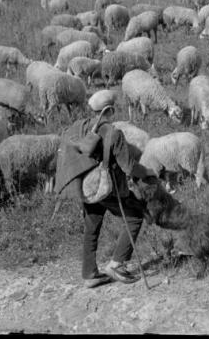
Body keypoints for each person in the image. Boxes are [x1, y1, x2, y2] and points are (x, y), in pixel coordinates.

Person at [54, 110, 158, 288]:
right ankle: (116, 264)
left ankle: (89, 274)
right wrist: (148, 171)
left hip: (84, 186)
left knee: (91, 227)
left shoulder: (77, 128)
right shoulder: (113, 133)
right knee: (134, 217)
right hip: (104, 186)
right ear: (110, 111)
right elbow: (129, 168)